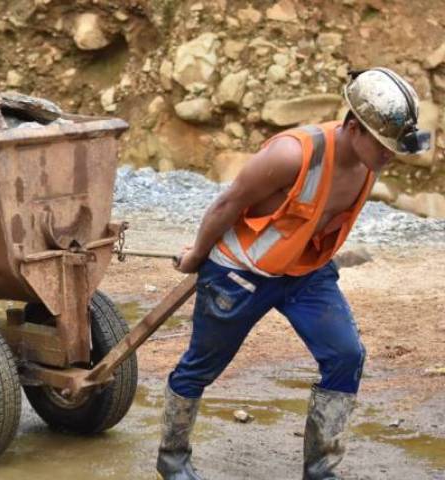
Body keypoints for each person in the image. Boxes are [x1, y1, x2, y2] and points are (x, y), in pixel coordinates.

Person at [157, 67, 430, 480]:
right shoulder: (293, 155)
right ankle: (172, 458)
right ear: (354, 127)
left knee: (346, 355)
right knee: (201, 366)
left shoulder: (369, 160)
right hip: (241, 274)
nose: (390, 155)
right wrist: (196, 255)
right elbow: (227, 204)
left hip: (305, 273)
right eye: (384, 146)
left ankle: (321, 471)